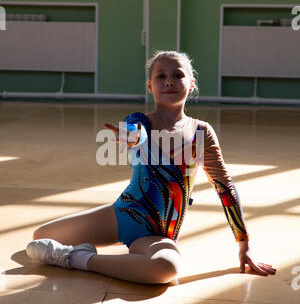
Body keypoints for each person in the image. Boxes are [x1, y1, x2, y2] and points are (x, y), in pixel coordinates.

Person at [26, 51, 276, 284]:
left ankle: (77, 258)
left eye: (178, 75)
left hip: (156, 235)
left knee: (166, 268)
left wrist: (244, 243)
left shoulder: (201, 132)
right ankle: (103, 248)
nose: (169, 81)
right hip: (121, 215)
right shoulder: (140, 122)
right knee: (41, 236)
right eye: (161, 76)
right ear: (150, 86)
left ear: (191, 84)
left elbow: (224, 186)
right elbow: (138, 134)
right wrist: (134, 138)